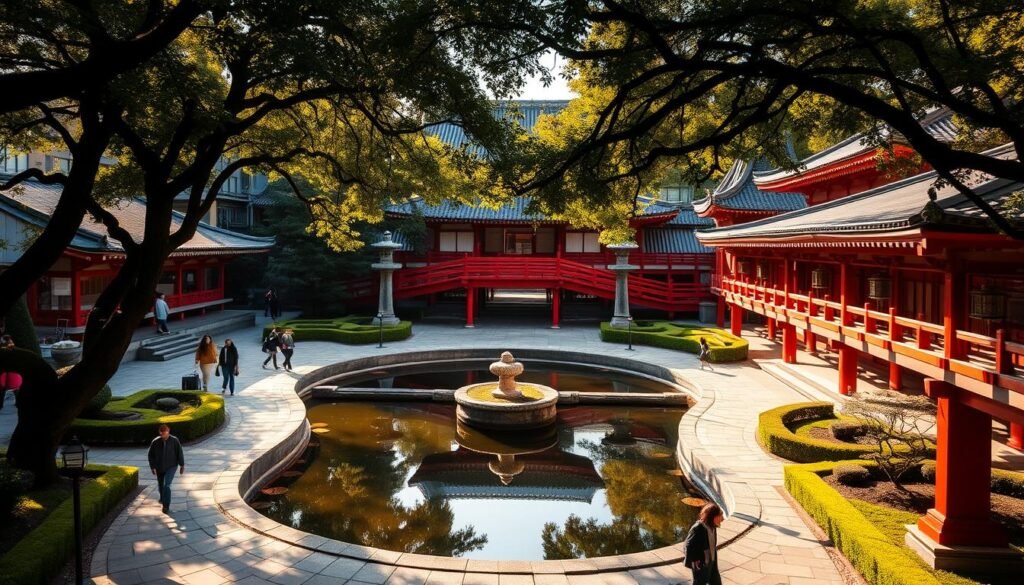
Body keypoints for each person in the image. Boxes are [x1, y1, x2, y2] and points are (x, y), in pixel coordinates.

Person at [148, 424, 185, 513]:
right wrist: (152, 467)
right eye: (161, 434)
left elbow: (179, 453)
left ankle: (166, 506)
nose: (163, 436)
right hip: (159, 467)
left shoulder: (175, 440)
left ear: (168, 432)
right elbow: (150, 455)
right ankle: (162, 498)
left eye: (164, 434)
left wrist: (182, 465)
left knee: (166, 485)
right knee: (161, 485)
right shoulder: (155, 442)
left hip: (171, 466)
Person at [684, 502, 724, 585]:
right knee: (700, 582)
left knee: (716, 582)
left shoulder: (713, 526)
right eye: (719, 516)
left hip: (712, 562)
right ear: (712, 516)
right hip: (701, 564)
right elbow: (688, 545)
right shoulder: (698, 528)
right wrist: (696, 560)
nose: (721, 519)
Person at [0, 335, 22, 410]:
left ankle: (1, 405)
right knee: (16, 390)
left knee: (2, 390)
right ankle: (18, 403)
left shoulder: (4, 351)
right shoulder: (15, 351)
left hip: (8, 378)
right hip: (16, 377)